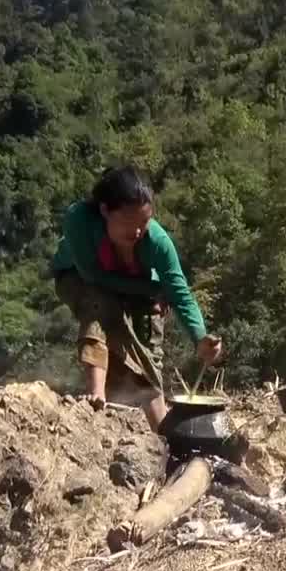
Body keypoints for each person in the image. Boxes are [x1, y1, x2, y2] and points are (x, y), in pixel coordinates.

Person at [51, 166, 223, 431]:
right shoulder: (80, 222)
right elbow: (93, 275)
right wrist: (152, 289)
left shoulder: (157, 241)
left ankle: (162, 432)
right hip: (77, 278)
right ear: (105, 211)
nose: (137, 233)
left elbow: (178, 290)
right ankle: (97, 394)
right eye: (128, 224)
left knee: (150, 335)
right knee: (101, 304)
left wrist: (200, 337)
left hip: (137, 286)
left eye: (144, 223)